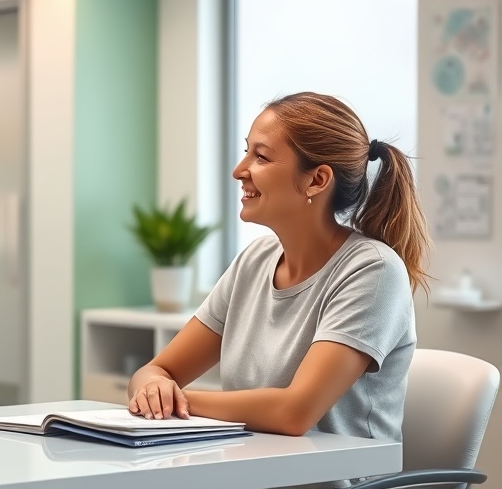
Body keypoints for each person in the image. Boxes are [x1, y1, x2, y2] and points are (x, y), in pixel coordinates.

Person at [128, 92, 430, 443]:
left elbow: (294, 413)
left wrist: (175, 401)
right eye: (246, 152)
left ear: (316, 180)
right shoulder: (254, 261)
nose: (239, 171)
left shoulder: (374, 272)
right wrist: (152, 387)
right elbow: (155, 370)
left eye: (261, 157)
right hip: (252, 471)